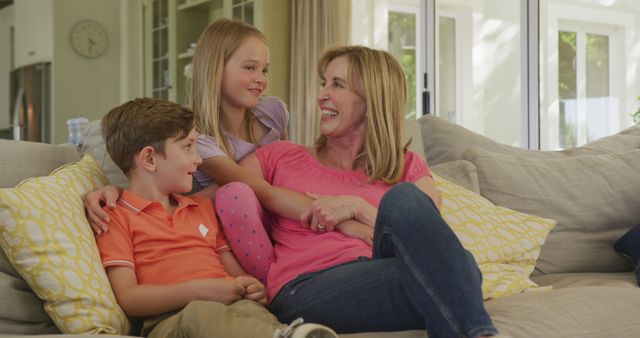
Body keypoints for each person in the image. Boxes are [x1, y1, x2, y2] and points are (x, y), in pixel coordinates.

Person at [231, 46, 498, 337]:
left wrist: (358, 208)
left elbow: (433, 241)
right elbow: (220, 192)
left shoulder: (407, 166)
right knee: (457, 274)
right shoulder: (281, 156)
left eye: (337, 85)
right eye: (324, 83)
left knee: (435, 240)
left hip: (383, 272)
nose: (322, 95)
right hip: (306, 286)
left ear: (372, 100)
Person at [95, 97, 338, 338]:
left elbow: (234, 272)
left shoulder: (200, 208)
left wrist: (249, 286)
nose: (198, 159)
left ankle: (284, 334)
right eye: (188, 147)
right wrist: (195, 291)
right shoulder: (116, 215)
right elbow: (128, 298)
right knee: (200, 313)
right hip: (174, 319)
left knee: (252, 311)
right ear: (149, 159)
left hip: (230, 306)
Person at [86, 18, 288, 283]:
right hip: (240, 234)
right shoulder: (197, 139)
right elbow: (163, 187)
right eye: (250, 67)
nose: (261, 80)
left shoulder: (273, 112)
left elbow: (287, 165)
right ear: (214, 69)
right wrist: (118, 193)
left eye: (265, 70)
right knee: (234, 194)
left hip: (286, 219)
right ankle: (279, 289)